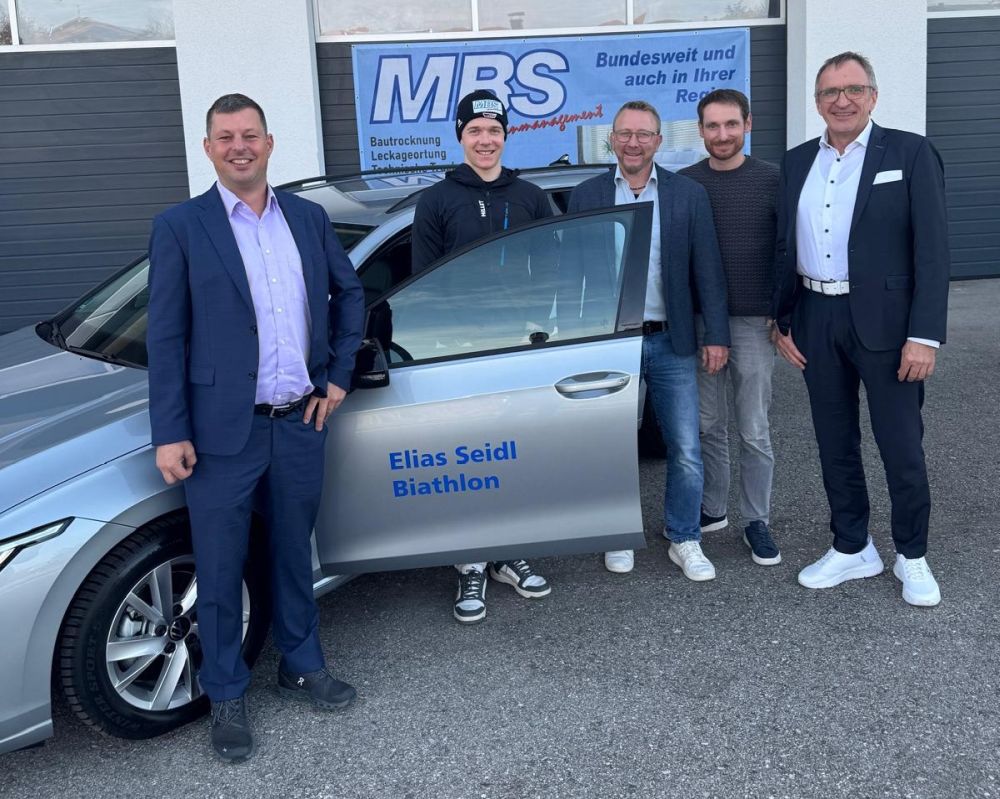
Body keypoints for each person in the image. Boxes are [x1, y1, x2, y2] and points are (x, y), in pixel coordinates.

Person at [146, 93, 365, 762]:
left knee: (294, 553)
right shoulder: (181, 227)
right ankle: (226, 693)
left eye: (250, 135)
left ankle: (301, 663)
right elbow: (166, 336)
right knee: (219, 568)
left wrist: (337, 375)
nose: (239, 146)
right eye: (226, 137)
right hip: (219, 435)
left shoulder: (308, 217)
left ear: (270, 144)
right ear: (208, 148)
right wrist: (170, 431)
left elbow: (350, 293)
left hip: (298, 423)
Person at [772, 52, 950, 606]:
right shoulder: (797, 161)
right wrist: (782, 320)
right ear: (817, 102)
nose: (841, 100)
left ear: (873, 95)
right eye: (830, 92)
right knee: (834, 442)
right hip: (816, 317)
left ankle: (911, 554)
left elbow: (933, 249)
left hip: (889, 326)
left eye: (853, 89)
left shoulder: (910, 152)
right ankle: (852, 546)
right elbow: (784, 244)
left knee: (901, 445)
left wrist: (924, 335)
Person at [569, 100, 730, 578]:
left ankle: (684, 536)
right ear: (611, 140)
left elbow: (708, 270)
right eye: (624, 134)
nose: (633, 143)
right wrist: (572, 340)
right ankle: (618, 535)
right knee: (611, 448)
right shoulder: (587, 196)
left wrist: (716, 335)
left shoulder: (687, 194)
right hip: (609, 343)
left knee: (686, 447)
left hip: (670, 340)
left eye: (643, 134)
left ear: (659, 141)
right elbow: (573, 275)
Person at [410, 89, 554, 624]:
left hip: (518, 349)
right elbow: (422, 283)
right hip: (460, 352)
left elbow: (551, 273)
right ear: (461, 136)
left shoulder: (532, 197)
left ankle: (507, 553)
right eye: (475, 130)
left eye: (494, 130)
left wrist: (541, 332)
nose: (486, 140)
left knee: (513, 455)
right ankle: (470, 562)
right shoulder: (436, 201)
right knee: (469, 460)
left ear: (506, 135)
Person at [679, 89, 781, 566]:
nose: (722, 135)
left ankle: (757, 520)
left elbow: (788, 249)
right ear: (700, 130)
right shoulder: (685, 184)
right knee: (707, 425)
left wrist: (783, 313)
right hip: (702, 322)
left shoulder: (773, 180)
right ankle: (713, 508)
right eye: (713, 126)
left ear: (748, 124)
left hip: (754, 323)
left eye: (731, 124)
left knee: (754, 429)